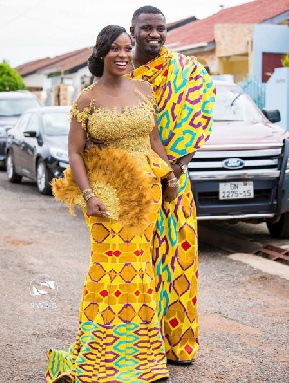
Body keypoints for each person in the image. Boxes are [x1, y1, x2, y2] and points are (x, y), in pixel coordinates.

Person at [45, 24, 179, 383]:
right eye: (115, 49)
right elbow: (74, 152)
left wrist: (169, 177)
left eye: (127, 48)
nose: (123, 54)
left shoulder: (145, 90)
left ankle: (144, 361)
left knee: (139, 271)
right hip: (106, 195)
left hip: (145, 194)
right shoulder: (87, 99)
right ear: (101, 54)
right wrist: (88, 195)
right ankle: (97, 357)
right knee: (106, 271)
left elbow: (154, 140)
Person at [128, 6, 216, 364]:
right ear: (131, 30)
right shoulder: (120, 70)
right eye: (146, 28)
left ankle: (177, 345)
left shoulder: (188, 71)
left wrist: (174, 171)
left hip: (176, 183)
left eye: (160, 28)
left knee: (178, 262)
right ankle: (139, 345)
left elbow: (199, 118)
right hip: (132, 183)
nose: (154, 34)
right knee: (137, 265)